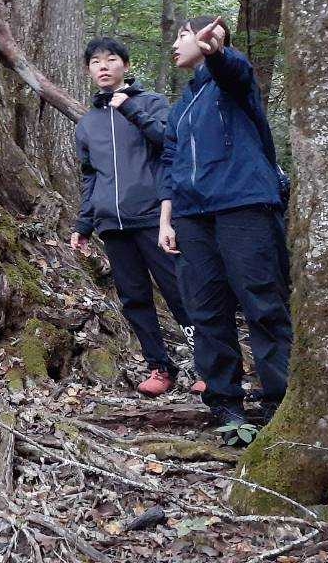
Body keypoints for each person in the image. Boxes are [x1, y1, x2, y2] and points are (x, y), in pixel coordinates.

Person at [158, 16, 293, 435]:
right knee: (206, 309)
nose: (175, 43)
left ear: (211, 38)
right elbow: (170, 162)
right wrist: (166, 219)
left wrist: (219, 53)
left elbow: (236, 72)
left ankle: (280, 400)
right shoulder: (182, 106)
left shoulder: (232, 81)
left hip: (244, 205)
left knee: (262, 302)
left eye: (183, 35)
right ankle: (225, 404)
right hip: (192, 218)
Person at [71, 37, 202, 397]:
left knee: (179, 291)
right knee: (134, 299)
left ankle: (208, 363)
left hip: (154, 218)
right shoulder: (88, 124)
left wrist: (130, 109)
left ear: (125, 66)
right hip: (112, 225)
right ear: (88, 71)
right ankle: (160, 367)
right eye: (95, 62)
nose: (103, 66)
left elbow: (168, 143)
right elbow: (90, 176)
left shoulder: (152, 103)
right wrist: (84, 223)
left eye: (111, 59)